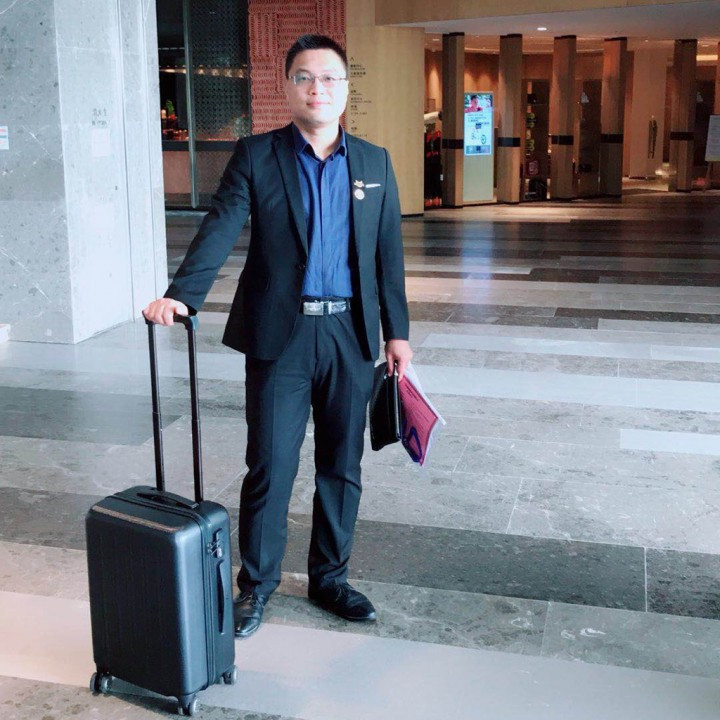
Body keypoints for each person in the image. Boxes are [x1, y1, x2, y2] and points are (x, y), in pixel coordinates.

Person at [143, 34, 412, 638]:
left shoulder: (374, 162)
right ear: (287, 86)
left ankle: (330, 579)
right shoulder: (257, 155)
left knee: (342, 465)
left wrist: (397, 333)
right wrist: (182, 294)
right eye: (305, 77)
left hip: (350, 333)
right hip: (279, 336)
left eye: (330, 78)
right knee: (269, 463)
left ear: (346, 88)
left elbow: (387, 254)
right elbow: (221, 226)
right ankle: (257, 586)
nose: (318, 88)